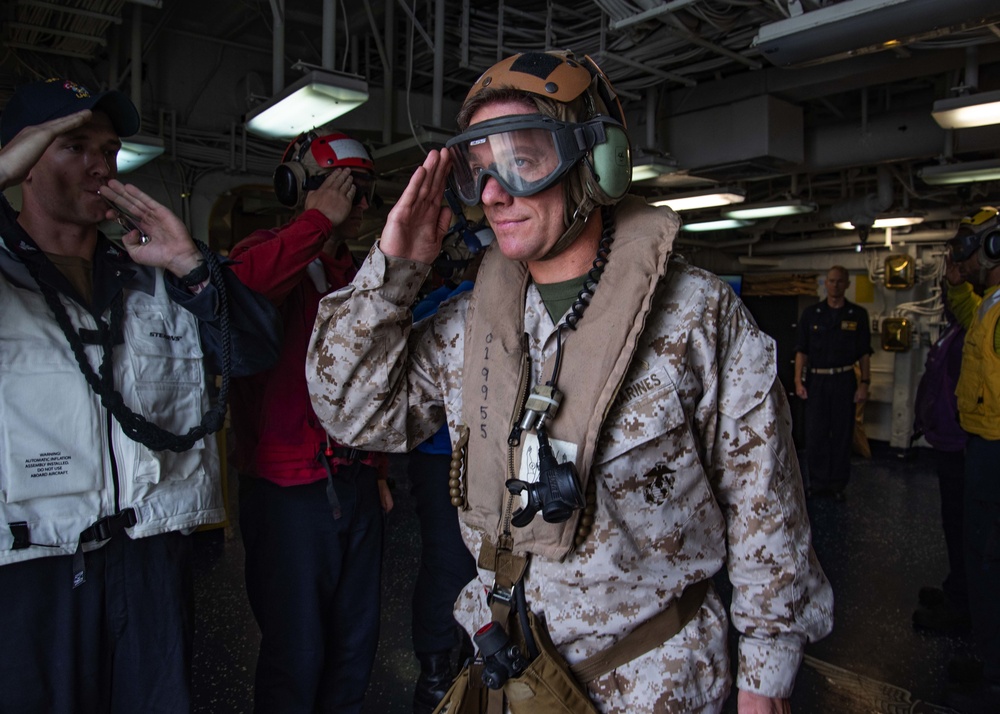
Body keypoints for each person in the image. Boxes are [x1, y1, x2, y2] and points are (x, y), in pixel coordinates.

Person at [306, 50, 833, 713]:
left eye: (522, 162)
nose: (494, 193)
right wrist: (393, 270)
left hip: (654, 684)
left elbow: (767, 506)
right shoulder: (467, 326)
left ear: (595, 163)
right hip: (512, 671)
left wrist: (765, 675)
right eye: (479, 170)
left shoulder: (697, 316)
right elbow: (351, 412)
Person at [0, 78, 281, 712]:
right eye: (73, 146)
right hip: (32, 564)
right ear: (21, 161)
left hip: (150, 554)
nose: (101, 164)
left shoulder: (151, 271)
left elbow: (258, 351)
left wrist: (190, 265)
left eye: (109, 148)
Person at [227, 128, 392, 714]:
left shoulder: (362, 276)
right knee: (296, 656)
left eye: (369, 191)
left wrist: (374, 470)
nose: (362, 205)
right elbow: (242, 292)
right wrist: (317, 221)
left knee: (353, 651)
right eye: (350, 189)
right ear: (303, 188)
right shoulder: (264, 252)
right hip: (287, 491)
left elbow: (373, 375)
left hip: (355, 482)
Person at [408, 265, 480, 714]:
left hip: (475, 457)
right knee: (449, 565)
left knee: (476, 566)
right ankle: (436, 677)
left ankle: (471, 662)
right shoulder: (447, 307)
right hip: (443, 459)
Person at [941, 206, 1000, 714]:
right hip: (982, 446)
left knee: (992, 560)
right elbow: (961, 306)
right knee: (981, 555)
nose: (963, 259)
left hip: (997, 451)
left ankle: (996, 677)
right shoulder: (988, 306)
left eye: (969, 248)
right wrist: (953, 275)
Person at [910, 302, 970, 636]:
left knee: (968, 527)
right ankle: (957, 589)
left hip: (965, 440)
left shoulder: (977, 325)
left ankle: (965, 608)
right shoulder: (955, 329)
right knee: (955, 520)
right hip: (949, 437)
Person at [794, 265, 873, 500]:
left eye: (840, 281)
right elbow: (801, 351)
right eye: (831, 281)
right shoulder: (811, 314)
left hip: (844, 379)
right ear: (825, 284)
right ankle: (817, 483)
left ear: (847, 284)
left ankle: (837, 484)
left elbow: (864, 354)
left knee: (841, 434)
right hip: (817, 380)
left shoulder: (857, 315)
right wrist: (798, 380)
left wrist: (864, 384)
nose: (835, 285)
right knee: (815, 433)